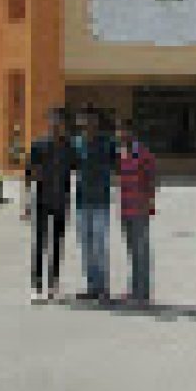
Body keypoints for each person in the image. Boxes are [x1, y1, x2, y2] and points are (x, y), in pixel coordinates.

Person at [23, 108, 76, 304]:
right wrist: (26, 202)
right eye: (53, 120)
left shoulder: (68, 147)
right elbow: (28, 174)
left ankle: (54, 285)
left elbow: (75, 172)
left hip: (61, 201)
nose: (55, 124)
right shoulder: (38, 146)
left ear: (63, 124)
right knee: (39, 243)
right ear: (48, 122)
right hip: (42, 201)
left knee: (57, 244)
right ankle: (36, 287)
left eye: (59, 121)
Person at [73, 106, 117, 301]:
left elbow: (119, 166)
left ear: (97, 122)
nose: (87, 123)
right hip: (82, 201)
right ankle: (91, 286)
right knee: (85, 245)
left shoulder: (108, 143)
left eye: (91, 120)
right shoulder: (75, 144)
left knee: (99, 245)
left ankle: (103, 287)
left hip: (101, 201)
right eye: (83, 119)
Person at [116, 119, 156, 305]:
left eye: (124, 130)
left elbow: (151, 180)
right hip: (125, 207)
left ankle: (143, 294)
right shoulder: (121, 153)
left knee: (141, 251)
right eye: (119, 131)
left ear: (131, 132)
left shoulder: (143, 154)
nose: (120, 134)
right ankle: (134, 290)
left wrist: (148, 203)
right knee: (132, 250)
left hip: (139, 208)